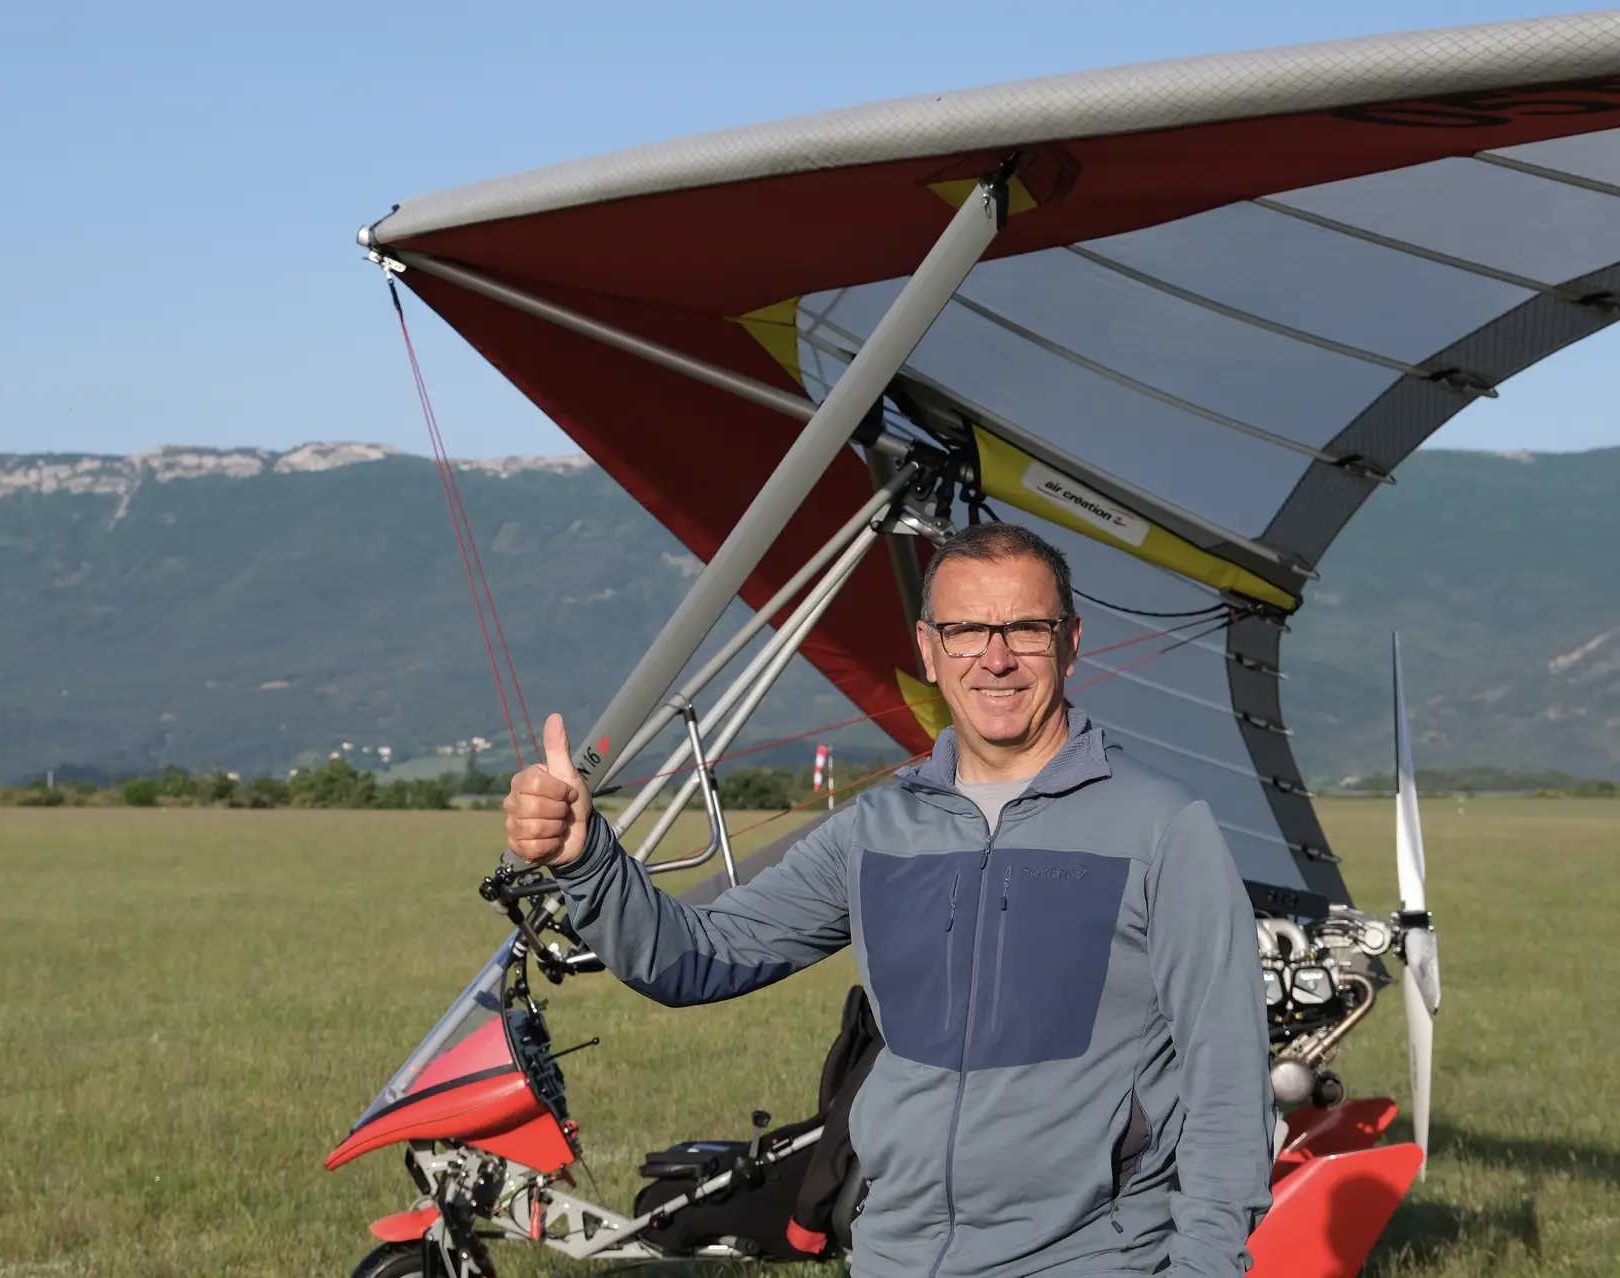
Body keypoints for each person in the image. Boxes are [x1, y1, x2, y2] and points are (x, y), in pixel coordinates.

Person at [505, 522, 1273, 1278]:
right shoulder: (875, 831)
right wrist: (587, 858)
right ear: (928, 650)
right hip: (896, 1256)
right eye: (966, 631)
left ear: (1070, 642)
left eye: (1027, 629)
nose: (996, 658)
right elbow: (698, 957)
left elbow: (1229, 1077)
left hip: (1094, 1259)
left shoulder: (1161, 828)